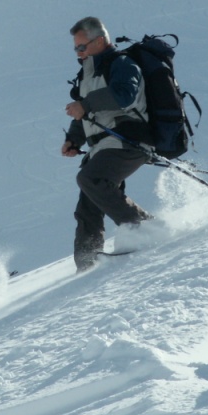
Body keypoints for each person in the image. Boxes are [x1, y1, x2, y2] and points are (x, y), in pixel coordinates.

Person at [62, 17, 152, 271]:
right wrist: (74, 139)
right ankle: (86, 265)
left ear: (100, 41)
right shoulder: (87, 74)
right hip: (103, 145)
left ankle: (143, 229)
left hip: (128, 139)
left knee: (90, 179)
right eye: (76, 48)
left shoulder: (121, 63)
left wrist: (85, 104)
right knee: (88, 206)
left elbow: (125, 95)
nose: (78, 53)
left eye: (82, 47)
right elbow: (87, 114)